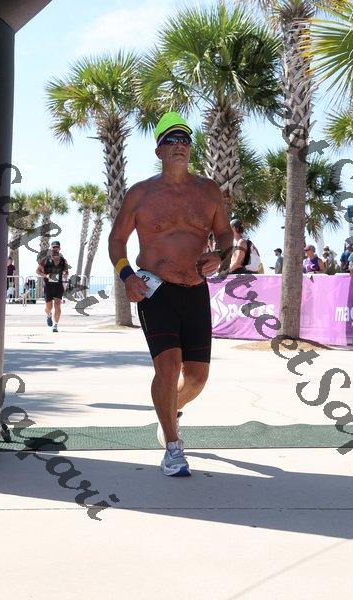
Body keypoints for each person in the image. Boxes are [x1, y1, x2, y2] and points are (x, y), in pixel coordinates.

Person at [108, 111, 233, 477]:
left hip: (195, 289)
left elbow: (224, 234)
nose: (180, 145)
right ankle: (173, 448)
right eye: (171, 140)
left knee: (196, 377)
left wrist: (220, 255)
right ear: (159, 150)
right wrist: (127, 275)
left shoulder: (208, 191)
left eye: (185, 140)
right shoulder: (141, 193)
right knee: (168, 366)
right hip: (156, 290)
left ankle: (168, 412)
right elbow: (117, 239)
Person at [36, 240, 69, 332]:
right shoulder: (45, 260)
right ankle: (49, 314)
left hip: (58, 286)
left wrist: (65, 274)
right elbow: (38, 271)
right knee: (49, 307)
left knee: (58, 305)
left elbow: (66, 272)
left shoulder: (63, 261)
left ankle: (55, 325)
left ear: (59, 248)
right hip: (48, 286)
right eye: (54, 247)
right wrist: (45, 275)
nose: (55, 249)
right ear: (51, 248)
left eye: (57, 247)